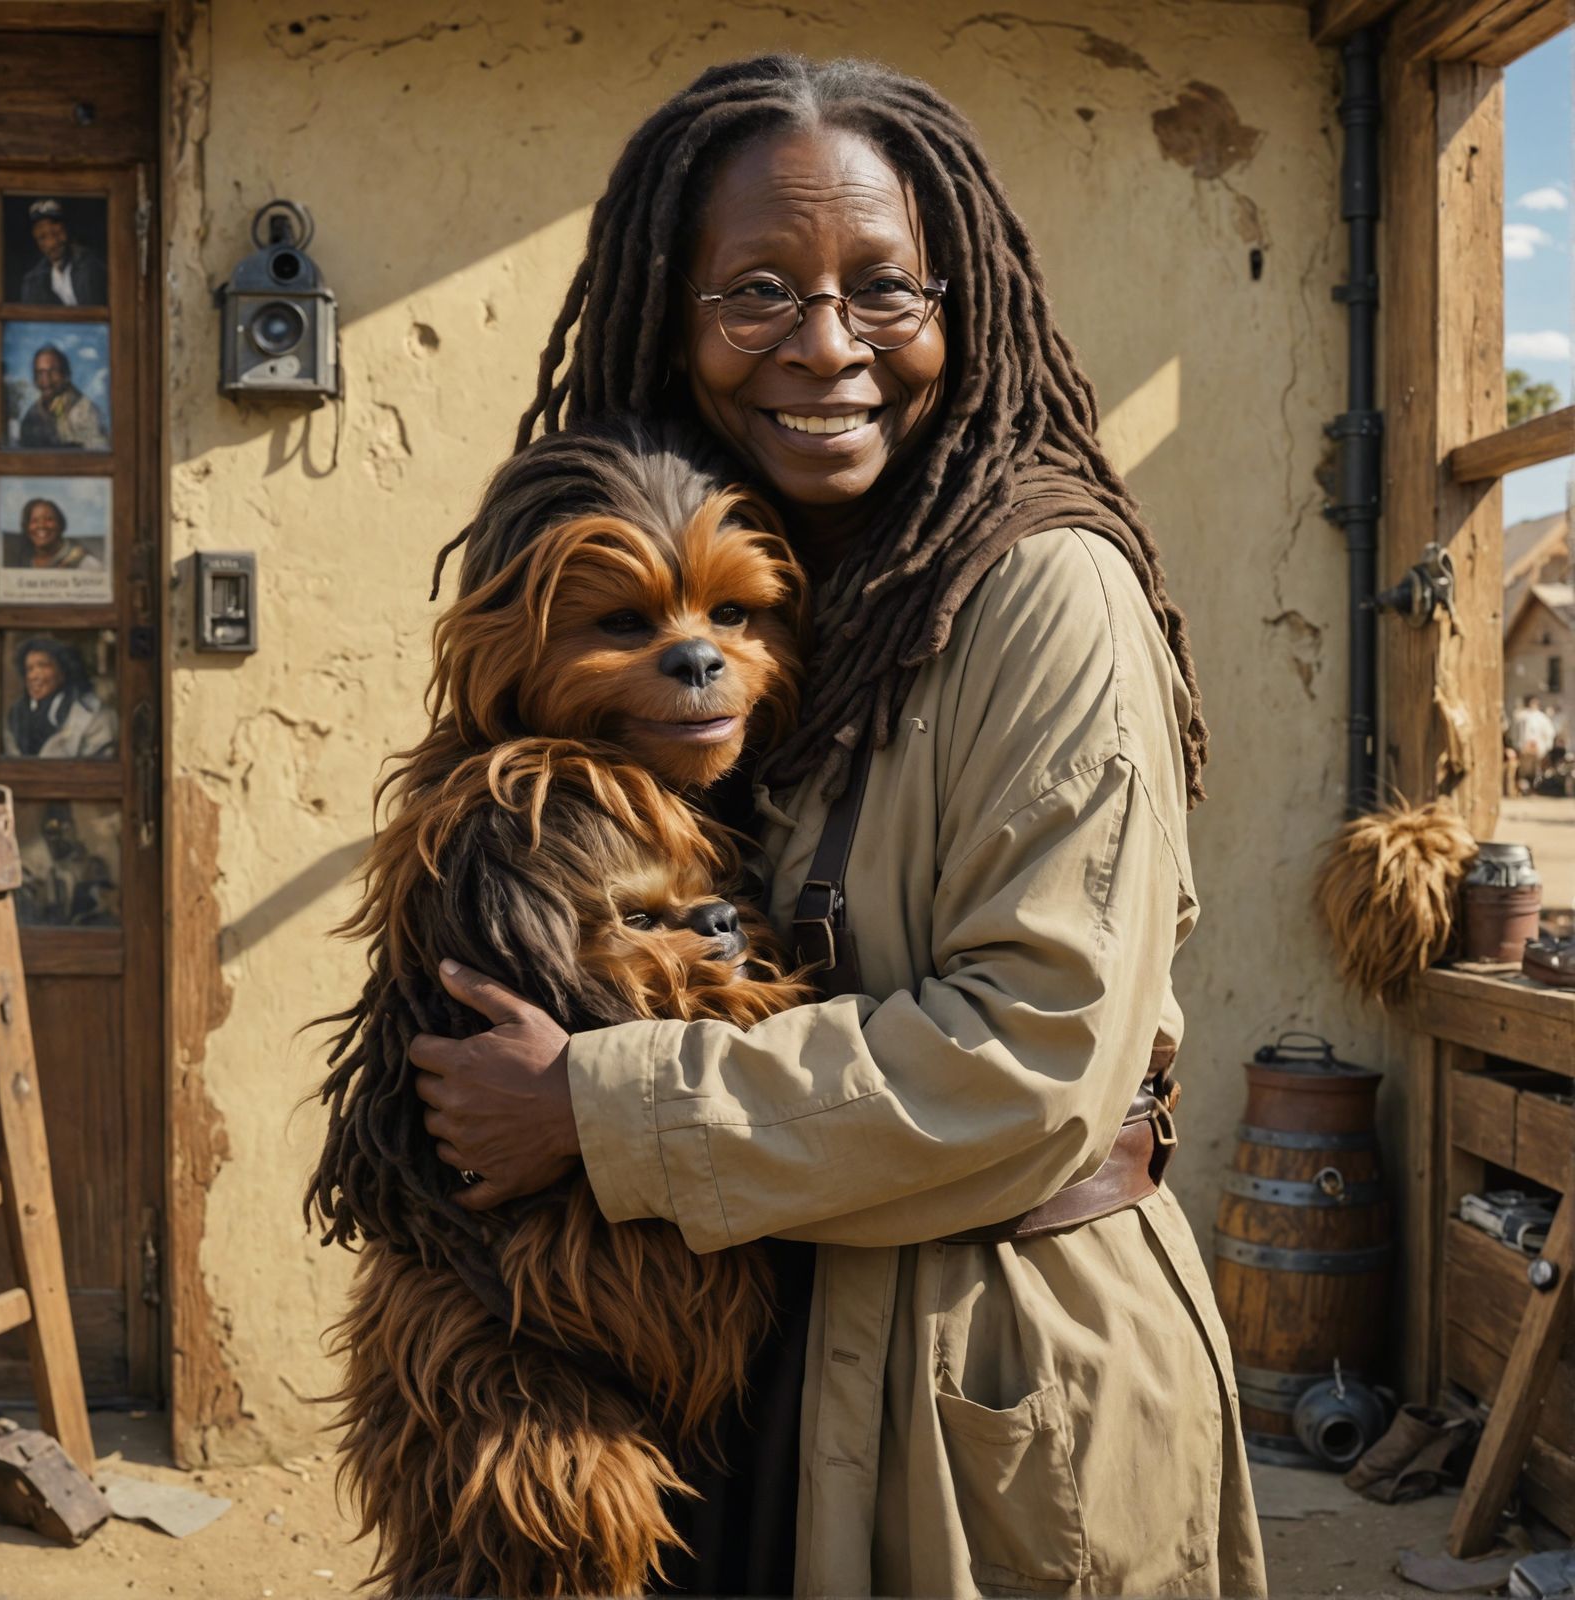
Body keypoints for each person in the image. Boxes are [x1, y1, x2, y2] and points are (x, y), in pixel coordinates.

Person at [406, 56, 1266, 1599]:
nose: (824, 346)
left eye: (883, 290)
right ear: (670, 319)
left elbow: (1039, 1060)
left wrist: (598, 1111)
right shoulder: (785, 600)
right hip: (785, 1359)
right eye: (755, 291)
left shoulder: (1040, 594)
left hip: (994, 1374)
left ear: (962, 309)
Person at [3, 636, 117, 760]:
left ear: (63, 671)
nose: (33, 676)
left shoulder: (95, 716)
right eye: (29, 669)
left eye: (43, 666)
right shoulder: (15, 716)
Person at [19, 198, 108, 307]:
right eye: (42, 237)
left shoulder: (91, 267)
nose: (51, 243)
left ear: (67, 230)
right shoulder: (33, 281)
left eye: (57, 233)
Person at [18, 344, 109, 450]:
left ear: (65, 375)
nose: (46, 379)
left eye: (52, 371)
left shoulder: (86, 412)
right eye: (40, 373)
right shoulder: (32, 415)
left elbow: (98, 455)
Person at [12, 497, 103, 572]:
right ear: (27, 527)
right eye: (34, 521)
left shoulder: (84, 563)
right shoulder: (24, 561)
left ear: (59, 524)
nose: (41, 525)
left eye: (49, 519)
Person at [1509, 693, 1556, 792]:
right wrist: (1518, 745)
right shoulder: (1521, 716)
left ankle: (1535, 787)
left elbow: (1549, 732)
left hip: (1538, 747)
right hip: (1524, 747)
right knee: (1524, 768)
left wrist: (1545, 746)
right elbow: (1516, 732)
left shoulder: (1542, 717)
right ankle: (1523, 787)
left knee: (1536, 769)